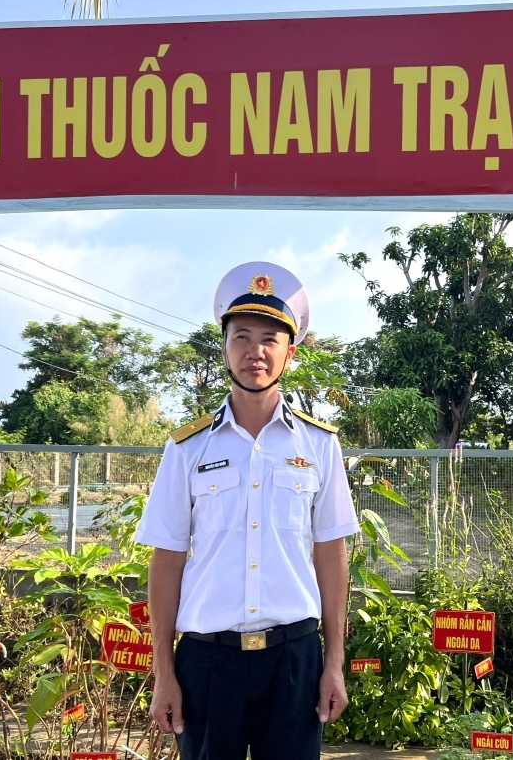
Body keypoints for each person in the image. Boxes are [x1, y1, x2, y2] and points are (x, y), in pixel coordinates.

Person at [135, 261, 359, 760]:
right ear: (224, 347)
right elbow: (167, 560)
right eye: (241, 337)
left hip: (294, 659)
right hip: (208, 663)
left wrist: (335, 661)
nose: (254, 351)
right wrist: (163, 674)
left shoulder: (319, 445)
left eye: (269, 340)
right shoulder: (187, 449)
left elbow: (331, 554)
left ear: (289, 353)